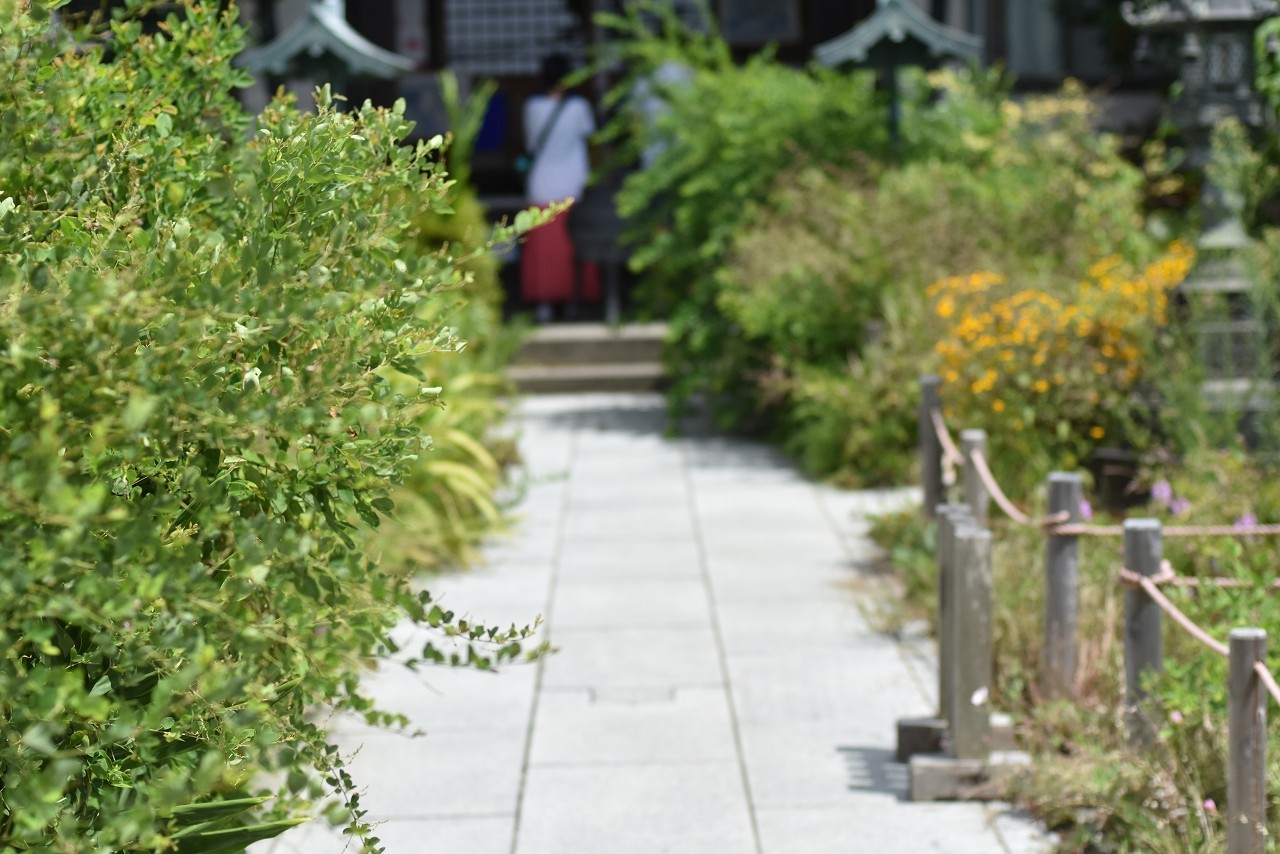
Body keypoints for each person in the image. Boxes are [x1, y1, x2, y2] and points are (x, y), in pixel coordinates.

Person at [521, 53, 599, 322]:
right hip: (573, 184)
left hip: (542, 184)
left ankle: (543, 303)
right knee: (573, 246)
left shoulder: (532, 107)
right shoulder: (580, 108)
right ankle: (573, 300)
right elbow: (590, 136)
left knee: (542, 248)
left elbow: (531, 144)